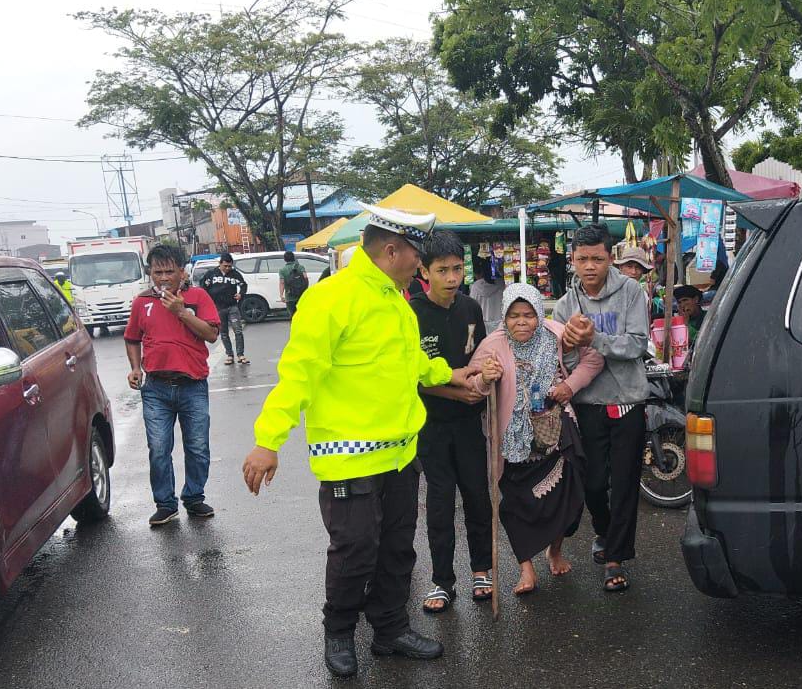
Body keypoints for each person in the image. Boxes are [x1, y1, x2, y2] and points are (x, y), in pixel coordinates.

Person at [241, 205, 478, 679]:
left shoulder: (397, 300)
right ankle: (340, 632)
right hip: (348, 458)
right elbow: (298, 374)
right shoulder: (331, 298)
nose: (421, 265)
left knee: (397, 549)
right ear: (391, 251)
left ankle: (390, 629)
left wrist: (449, 373)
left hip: (401, 455)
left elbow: (410, 363)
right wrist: (268, 441)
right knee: (355, 551)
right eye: (417, 256)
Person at [467, 283, 603, 595]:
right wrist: (485, 378)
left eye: (528, 315)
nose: (522, 322)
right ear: (504, 317)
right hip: (514, 440)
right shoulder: (492, 345)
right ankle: (526, 569)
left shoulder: (556, 333)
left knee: (570, 496)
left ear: (539, 314)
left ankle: (555, 550)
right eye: (514, 316)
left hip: (556, 430)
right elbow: (473, 387)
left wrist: (569, 386)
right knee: (516, 505)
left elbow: (594, 359)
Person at [552, 224, 649, 592]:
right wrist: (569, 347)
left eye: (597, 258)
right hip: (587, 403)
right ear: (573, 261)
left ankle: (614, 558)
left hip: (627, 402)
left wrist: (596, 339)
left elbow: (637, 344)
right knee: (592, 484)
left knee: (624, 483)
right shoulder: (565, 305)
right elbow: (561, 360)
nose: (589, 266)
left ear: (611, 258)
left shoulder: (631, 292)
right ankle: (605, 531)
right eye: (582, 259)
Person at [409, 232, 493, 613]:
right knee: (440, 502)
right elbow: (413, 378)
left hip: (470, 423)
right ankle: (442, 581)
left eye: (457, 269)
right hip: (431, 426)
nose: (451, 277)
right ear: (424, 271)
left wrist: (483, 383)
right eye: (442, 270)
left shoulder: (471, 308)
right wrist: (458, 392)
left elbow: (482, 359)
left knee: (477, 496)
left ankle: (482, 571)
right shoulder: (411, 314)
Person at [124, 245, 221, 527]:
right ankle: (165, 504)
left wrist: (182, 312)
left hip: (193, 385)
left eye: (169, 271)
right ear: (150, 273)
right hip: (156, 388)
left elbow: (212, 334)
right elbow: (132, 338)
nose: (163, 277)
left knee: (198, 447)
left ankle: (194, 497)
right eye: (157, 272)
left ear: (182, 271)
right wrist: (135, 367)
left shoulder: (198, 297)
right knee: (158, 448)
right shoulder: (142, 302)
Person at [202, 253, 250, 365]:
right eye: (225, 266)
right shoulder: (211, 274)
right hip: (218, 308)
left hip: (232, 306)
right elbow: (203, 288)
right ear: (220, 264)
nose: (227, 268)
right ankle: (229, 355)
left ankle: (240, 354)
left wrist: (240, 294)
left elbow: (243, 285)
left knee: (238, 330)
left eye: (229, 266)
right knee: (224, 332)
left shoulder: (235, 274)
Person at [469, 257, 505, 334]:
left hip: (483, 324)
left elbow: (471, 309)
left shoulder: (475, 286)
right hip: (501, 324)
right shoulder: (502, 284)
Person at [277, 251, 309, 316]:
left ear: (285, 259)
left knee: (293, 315)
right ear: (294, 258)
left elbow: (282, 283)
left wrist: (281, 295)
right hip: (301, 295)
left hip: (289, 296)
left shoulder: (282, 270)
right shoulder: (300, 267)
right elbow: (305, 277)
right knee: (303, 314)